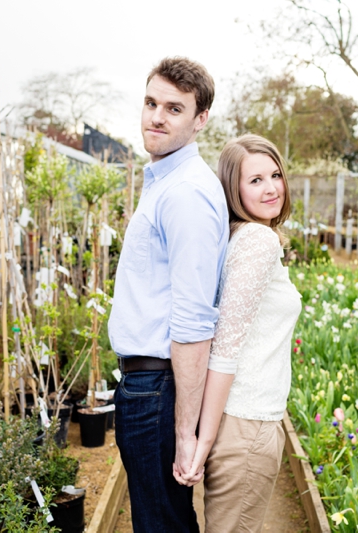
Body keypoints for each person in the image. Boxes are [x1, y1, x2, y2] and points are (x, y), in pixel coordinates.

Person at [108, 57, 228, 533]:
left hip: (158, 392)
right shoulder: (163, 183)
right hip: (148, 389)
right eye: (151, 103)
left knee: (163, 525)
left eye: (174, 109)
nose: (156, 116)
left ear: (199, 121)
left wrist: (184, 432)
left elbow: (195, 320)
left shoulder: (185, 194)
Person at [176, 134, 302, 532]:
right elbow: (225, 346)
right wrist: (204, 441)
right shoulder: (257, 242)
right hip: (247, 425)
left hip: (243, 421)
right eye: (255, 180)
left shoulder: (238, 238)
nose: (271, 188)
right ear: (233, 188)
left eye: (275, 175)